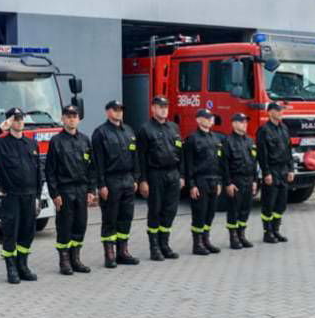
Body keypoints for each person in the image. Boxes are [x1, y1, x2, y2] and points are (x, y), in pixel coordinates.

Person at [0, 107, 42, 284]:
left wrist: (38, 196)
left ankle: (23, 266)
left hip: (29, 196)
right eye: (15, 119)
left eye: (21, 119)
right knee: (10, 233)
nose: (19, 122)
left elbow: (38, 172)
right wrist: (0, 129)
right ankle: (11, 268)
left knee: (27, 232)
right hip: (11, 196)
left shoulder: (31, 144)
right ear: (8, 122)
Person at [45, 104, 97, 275]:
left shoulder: (85, 140)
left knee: (80, 225)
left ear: (79, 119)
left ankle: (76, 259)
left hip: (82, 189)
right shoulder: (56, 141)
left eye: (74, 116)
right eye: (68, 116)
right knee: (64, 226)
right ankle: (64, 261)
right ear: (63, 119)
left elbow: (91, 168)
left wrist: (91, 190)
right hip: (65, 190)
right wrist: (55, 194)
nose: (72, 119)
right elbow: (50, 171)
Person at [92, 100, 140, 268]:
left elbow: (135, 156)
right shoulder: (100, 133)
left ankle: (123, 252)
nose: (119, 112)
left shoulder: (129, 131)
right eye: (115, 109)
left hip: (127, 179)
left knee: (126, 217)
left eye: (120, 109)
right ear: (107, 112)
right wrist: (101, 185)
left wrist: (135, 178)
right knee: (110, 218)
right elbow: (97, 162)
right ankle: (109, 254)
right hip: (111, 181)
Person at [137, 95, 185, 261]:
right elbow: (141, 157)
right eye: (160, 107)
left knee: (170, 211)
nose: (164, 110)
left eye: (165, 107)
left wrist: (181, 175)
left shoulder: (174, 128)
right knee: (155, 211)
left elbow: (180, 153)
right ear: (153, 109)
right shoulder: (145, 129)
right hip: (155, 174)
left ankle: (165, 245)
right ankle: (154, 247)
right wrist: (143, 180)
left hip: (173, 174)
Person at [183, 109, 225, 256]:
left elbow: (218, 162)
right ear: (198, 120)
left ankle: (206, 240)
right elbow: (188, 164)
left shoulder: (215, 138)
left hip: (213, 180)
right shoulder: (192, 139)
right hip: (200, 180)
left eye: (211, 118)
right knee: (199, 213)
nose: (210, 120)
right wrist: (192, 185)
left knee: (210, 212)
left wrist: (219, 182)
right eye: (207, 118)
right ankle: (197, 244)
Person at [256, 102, 295, 243]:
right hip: (272, 170)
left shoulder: (284, 128)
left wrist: (291, 169)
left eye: (281, 110)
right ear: (270, 112)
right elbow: (262, 154)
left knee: (281, 203)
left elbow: (289, 150)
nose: (281, 112)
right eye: (278, 110)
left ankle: (276, 230)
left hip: (283, 170)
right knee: (269, 203)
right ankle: (267, 233)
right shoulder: (264, 130)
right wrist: (266, 173)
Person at [223, 113, 258, 249]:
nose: (245, 124)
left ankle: (241, 235)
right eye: (241, 122)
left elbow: (254, 162)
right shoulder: (228, 141)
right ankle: (233, 238)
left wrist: (255, 180)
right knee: (234, 210)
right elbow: (224, 165)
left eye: (245, 122)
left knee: (245, 209)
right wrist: (228, 183)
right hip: (235, 180)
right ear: (234, 124)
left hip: (248, 179)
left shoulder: (250, 141)